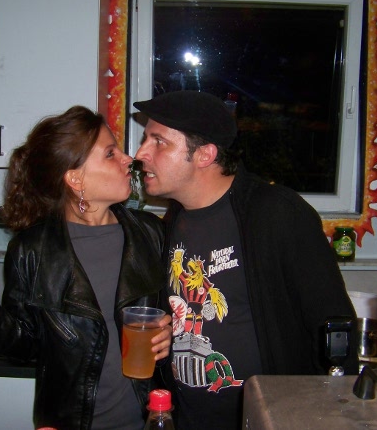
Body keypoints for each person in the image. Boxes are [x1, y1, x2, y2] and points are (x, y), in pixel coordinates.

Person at [133, 91, 359, 430]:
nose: (141, 154)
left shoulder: (276, 213)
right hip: (189, 418)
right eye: (145, 139)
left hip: (270, 419)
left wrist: (331, 414)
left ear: (205, 154)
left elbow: (334, 325)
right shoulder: (174, 219)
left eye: (158, 142)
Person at [0, 105, 172, 430]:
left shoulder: (150, 233)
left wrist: (170, 332)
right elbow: (25, 347)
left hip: (149, 418)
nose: (129, 159)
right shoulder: (32, 251)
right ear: (75, 178)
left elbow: (176, 313)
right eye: (110, 153)